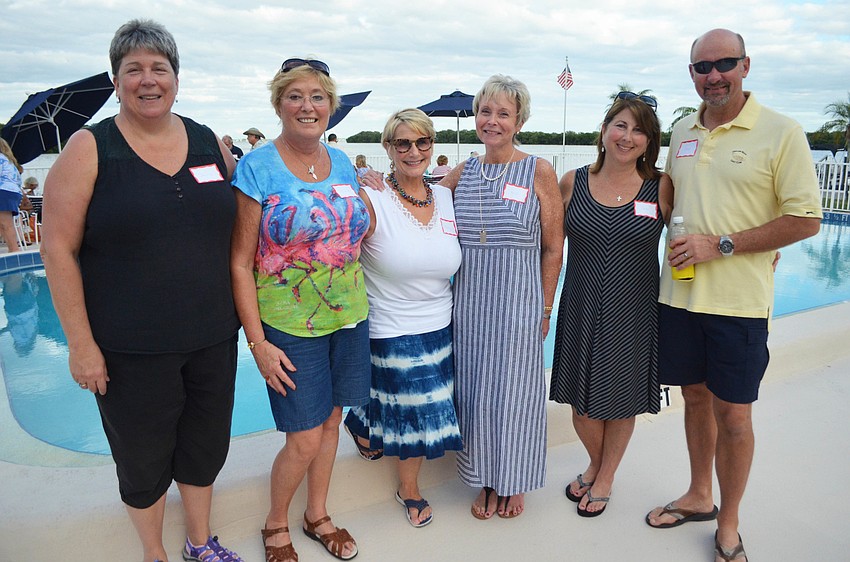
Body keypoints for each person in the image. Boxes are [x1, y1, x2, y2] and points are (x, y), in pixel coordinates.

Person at [40, 19, 243, 562]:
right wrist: (81, 346)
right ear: (115, 79)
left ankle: (200, 544)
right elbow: (57, 249)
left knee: (204, 449)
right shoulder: (89, 148)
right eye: (134, 70)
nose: (147, 80)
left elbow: (240, 227)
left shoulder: (207, 141)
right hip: (129, 349)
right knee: (143, 459)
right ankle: (154, 553)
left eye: (159, 68)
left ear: (176, 78)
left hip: (211, 338)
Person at [644, 29, 821, 562]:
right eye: (702, 66)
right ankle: (700, 496)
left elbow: (807, 219)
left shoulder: (781, 132)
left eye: (724, 63)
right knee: (694, 399)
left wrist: (723, 244)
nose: (713, 75)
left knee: (736, 417)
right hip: (680, 298)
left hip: (739, 306)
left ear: (746, 65)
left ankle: (730, 521)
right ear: (691, 74)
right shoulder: (681, 131)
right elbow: (671, 194)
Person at [231, 57, 367, 562]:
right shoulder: (257, 166)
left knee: (333, 423)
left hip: (349, 315)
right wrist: (258, 342)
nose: (307, 106)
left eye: (317, 97)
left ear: (331, 106)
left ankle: (317, 515)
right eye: (296, 96)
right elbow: (240, 264)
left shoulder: (345, 162)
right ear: (279, 104)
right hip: (290, 324)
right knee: (305, 436)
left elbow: (357, 231)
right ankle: (274, 524)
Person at [439, 75, 564, 519]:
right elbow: (421, 198)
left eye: (503, 114)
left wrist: (546, 307)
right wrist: (377, 183)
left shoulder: (538, 171)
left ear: (520, 120)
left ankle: (513, 480)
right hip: (470, 303)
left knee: (515, 392)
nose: (492, 121)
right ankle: (485, 479)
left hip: (519, 300)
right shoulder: (464, 170)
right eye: (485, 112)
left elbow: (553, 247)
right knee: (476, 390)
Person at [550, 92, 672, 518]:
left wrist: (757, 249)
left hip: (633, 312)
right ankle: (599, 465)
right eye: (620, 125)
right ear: (603, 131)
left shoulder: (660, 186)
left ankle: (602, 476)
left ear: (649, 141)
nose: (627, 136)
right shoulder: (573, 182)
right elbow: (547, 246)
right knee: (580, 405)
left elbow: (699, 224)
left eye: (639, 129)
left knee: (620, 401)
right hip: (581, 305)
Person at [342, 108, 463, 528]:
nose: (414, 151)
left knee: (409, 402)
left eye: (423, 142)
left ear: (433, 146)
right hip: (392, 326)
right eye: (403, 143)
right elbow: (339, 255)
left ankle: (358, 424)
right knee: (416, 411)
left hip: (442, 324)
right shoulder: (369, 197)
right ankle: (408, 489)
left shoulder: (446, 195)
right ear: (388, 149)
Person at [0, 138, 24, 253]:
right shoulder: (9, 161)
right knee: (4, 223)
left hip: (3, 190)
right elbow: (18, 181)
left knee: (5, 223)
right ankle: (13, 249)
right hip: (13, 191)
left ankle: (14, 250)